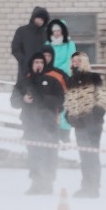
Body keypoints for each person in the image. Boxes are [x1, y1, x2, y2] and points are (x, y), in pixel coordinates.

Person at [11, 52, 65, 195]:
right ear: (31, 65)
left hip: (49, 125)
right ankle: (36, 183)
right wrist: (23, 99)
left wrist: (42, 98)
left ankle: (48, 183)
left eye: (41, 62)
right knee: (34, 154)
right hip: (30, 125)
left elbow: (61, 100)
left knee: (49, 154)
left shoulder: (52, 81)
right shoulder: (23, 82)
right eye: (36, 62)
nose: (39, 65)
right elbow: (13, 101)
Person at [64, 52, 106, 197]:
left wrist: (94, 116)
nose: (75, 63)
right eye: (73, 61)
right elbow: (69, 101)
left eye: (78, 60)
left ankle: (94, 187)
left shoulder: (94, 78)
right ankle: (85, 186)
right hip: (79, 124)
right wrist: (69, 117)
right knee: (83, 156)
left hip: (93, 123)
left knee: (92, 155)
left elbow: (102, 98)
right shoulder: (70, 80)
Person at [46, 20, 76, 141]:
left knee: (64, 105)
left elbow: (70, 60)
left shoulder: (69, 44)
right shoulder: (48, 44)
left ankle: (65, 134)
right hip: (49, 79)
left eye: (59, 30)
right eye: (55, 31)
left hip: (64, 79)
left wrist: (58, 73)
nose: (57, 33)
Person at [11, 7, 49, 85]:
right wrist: (25, 63)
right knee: (22, 93)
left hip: (41, 71)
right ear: (33, 17)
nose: (40, 21)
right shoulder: (22, 31)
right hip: (24, 70)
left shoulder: (45, 34)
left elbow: (48, 52)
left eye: (42, 20)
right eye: (38, 18)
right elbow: (15, 49)